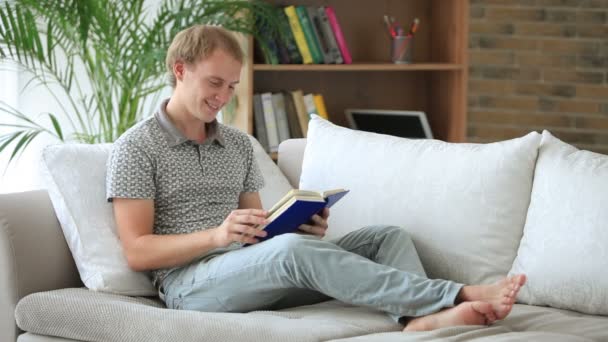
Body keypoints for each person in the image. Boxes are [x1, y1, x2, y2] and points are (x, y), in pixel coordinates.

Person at [106, 25, 526, 332]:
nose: (224, 97)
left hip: (250, 269)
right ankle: (455, 294)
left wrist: (301, 223)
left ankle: (416, 318)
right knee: (292, 251)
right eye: (215, 82)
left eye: (232, 86)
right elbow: (138, 252)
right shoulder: (137, 147)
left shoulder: (237, 144)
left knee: (386, 236)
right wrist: (217, 237)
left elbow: (262, 234)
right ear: (180, 70)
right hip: (190, 285)